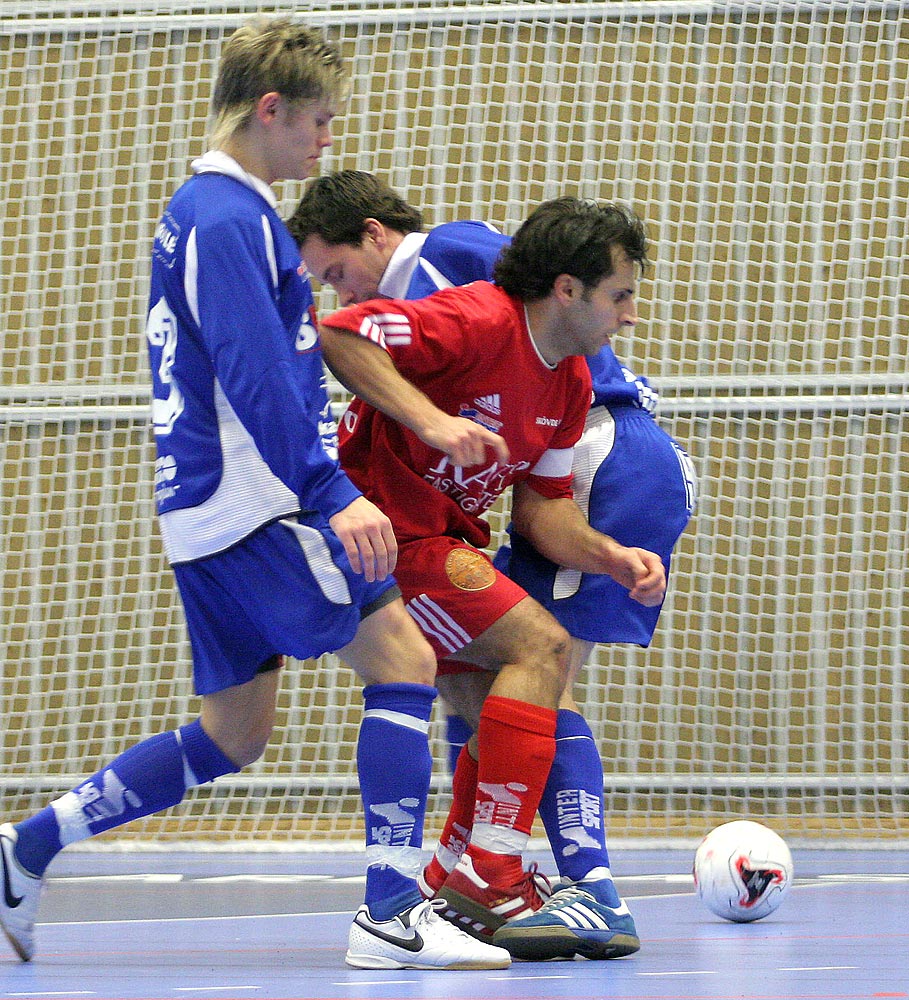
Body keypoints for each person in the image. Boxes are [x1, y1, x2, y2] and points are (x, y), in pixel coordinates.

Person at [0, 16, 510, 972]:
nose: (327, 142)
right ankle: (393, 913)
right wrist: (328, 491)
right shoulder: (230, 218)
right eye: (316, 121)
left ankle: (25, 849)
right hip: (258, 500)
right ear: (269, 110)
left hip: (204, 510)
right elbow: (254, 372)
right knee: (402, 660)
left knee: (233, 735)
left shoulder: (208, 213)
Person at [288, 172, 696, 960]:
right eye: (619, 295)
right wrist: (431, 420)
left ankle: (452, 876)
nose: (632, 313)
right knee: (539, 647)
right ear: (568, 288)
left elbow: (544, 514)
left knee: (491, 707)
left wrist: (613, 556)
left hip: (438, 544)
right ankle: (495, 871)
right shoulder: (474, 318)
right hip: (382, 542)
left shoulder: (571, 382)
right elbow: (338, 333)